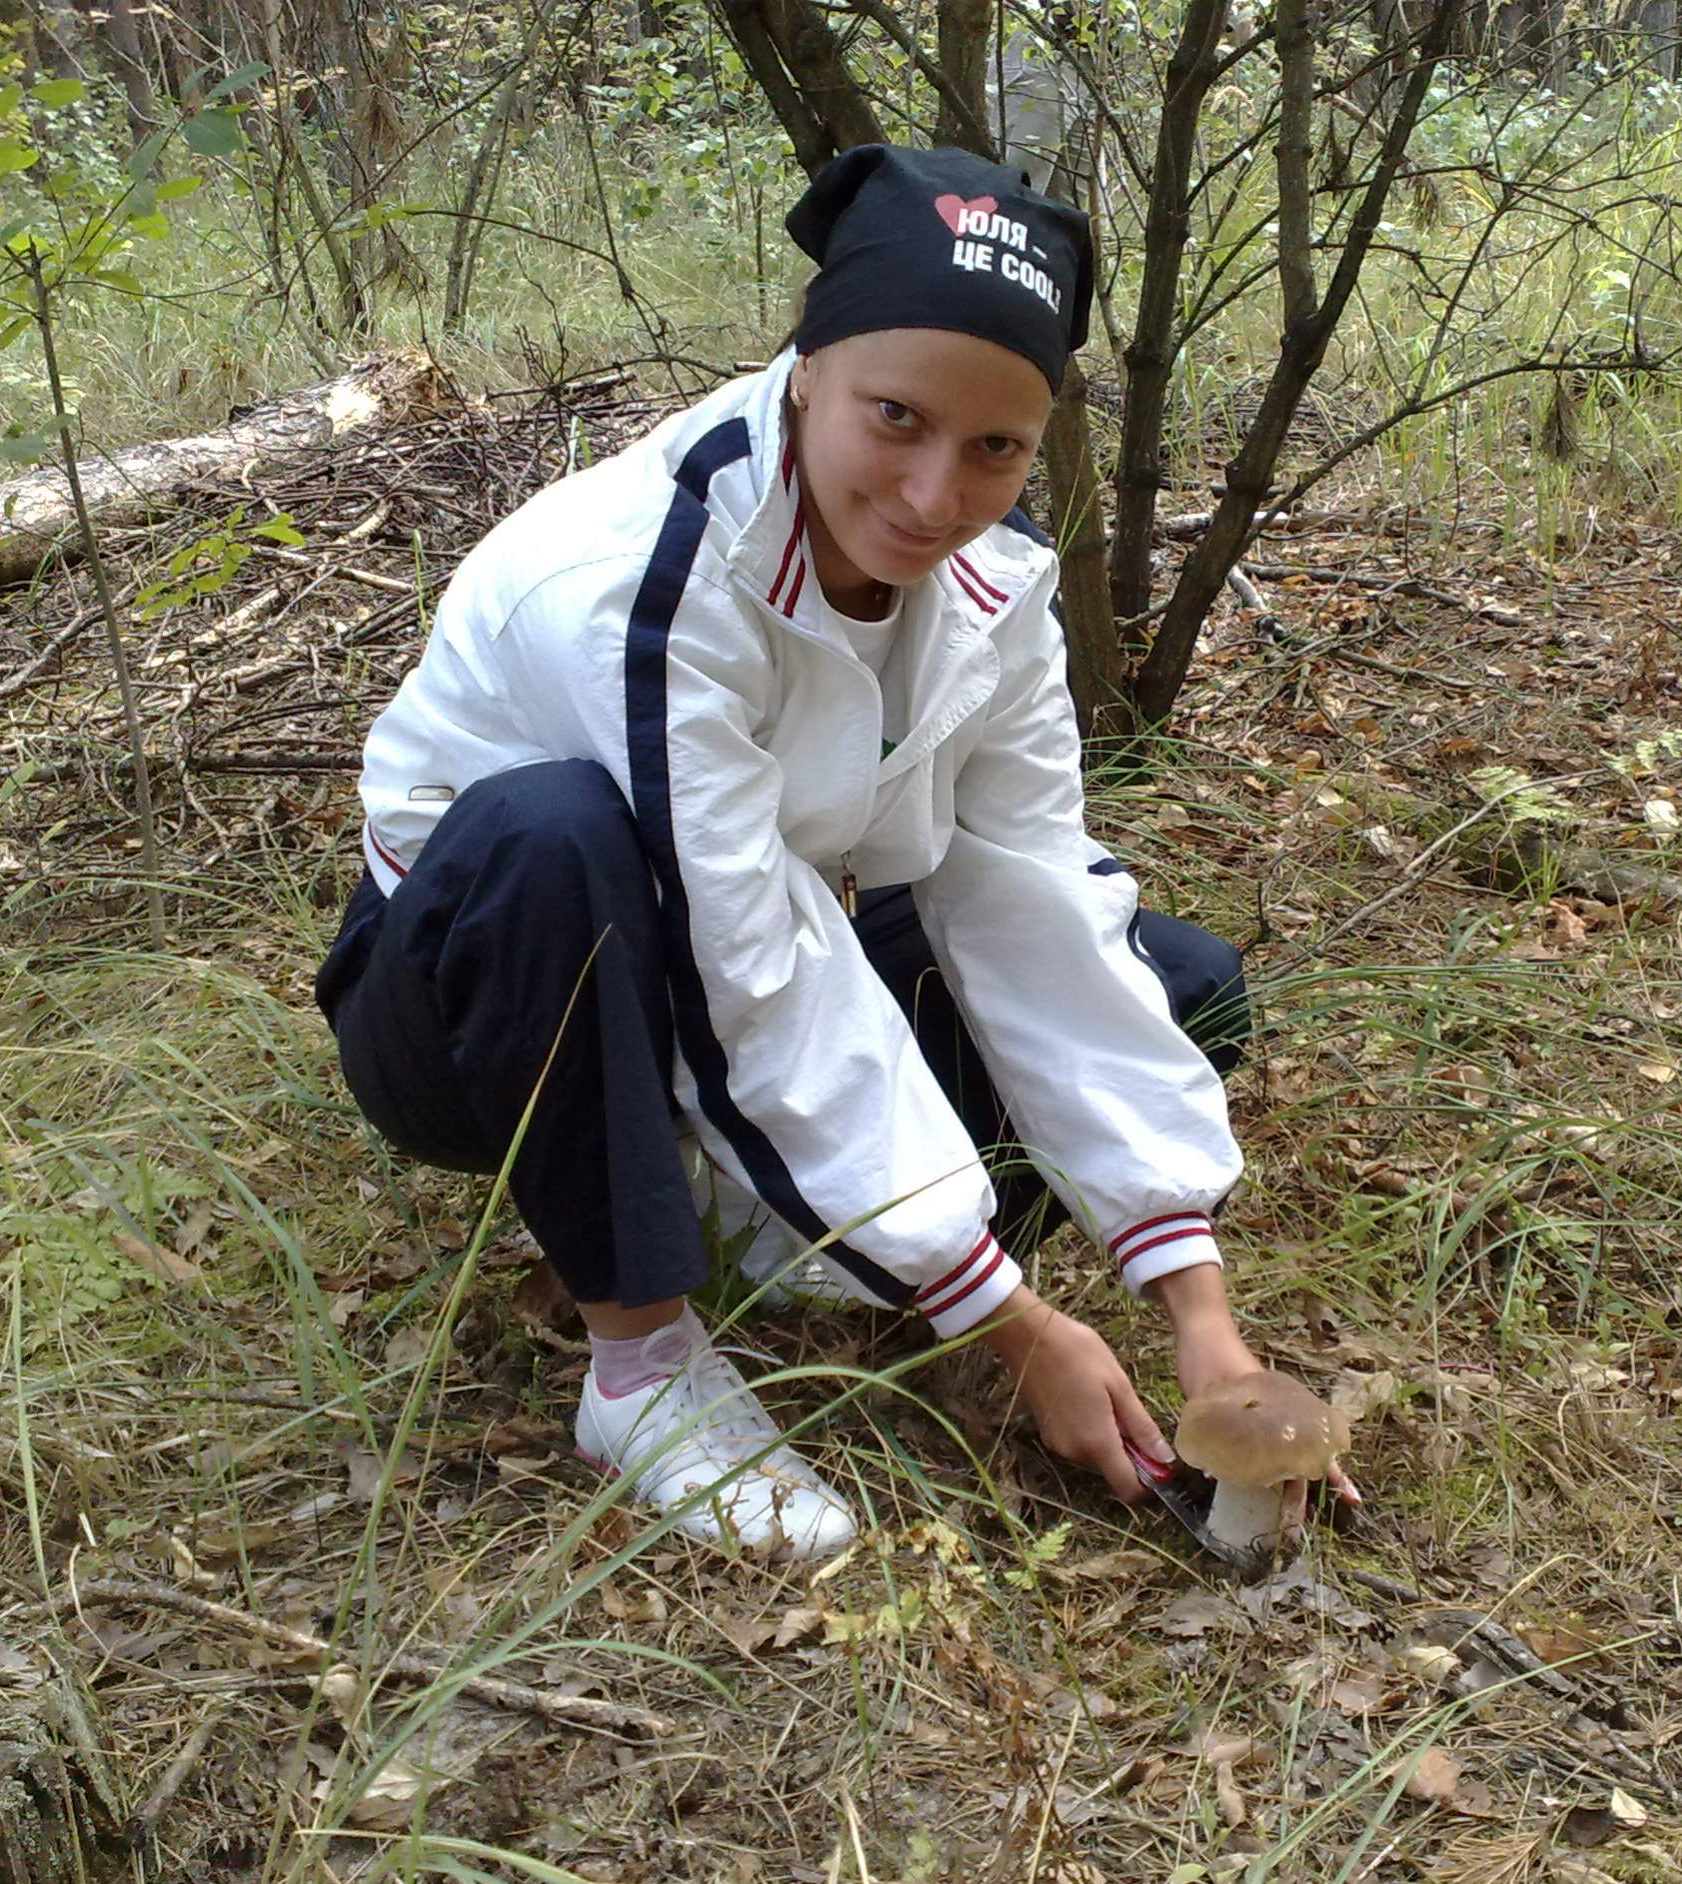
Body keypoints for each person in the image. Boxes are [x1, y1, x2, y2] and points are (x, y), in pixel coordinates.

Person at [315, 143, 1356, 1562]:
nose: (935, 495)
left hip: (722, 937)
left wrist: (1202, 1319)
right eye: (896, 417)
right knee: (551, 831)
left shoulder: (991, 582)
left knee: (1178, 978)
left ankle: (783, 1235)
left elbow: (1031, 891)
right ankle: (643, 1364)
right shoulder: (643, 576)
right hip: (479, 1001)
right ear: (808, 368)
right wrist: (1010, 1321)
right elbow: (739, 950)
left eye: (995, 448)